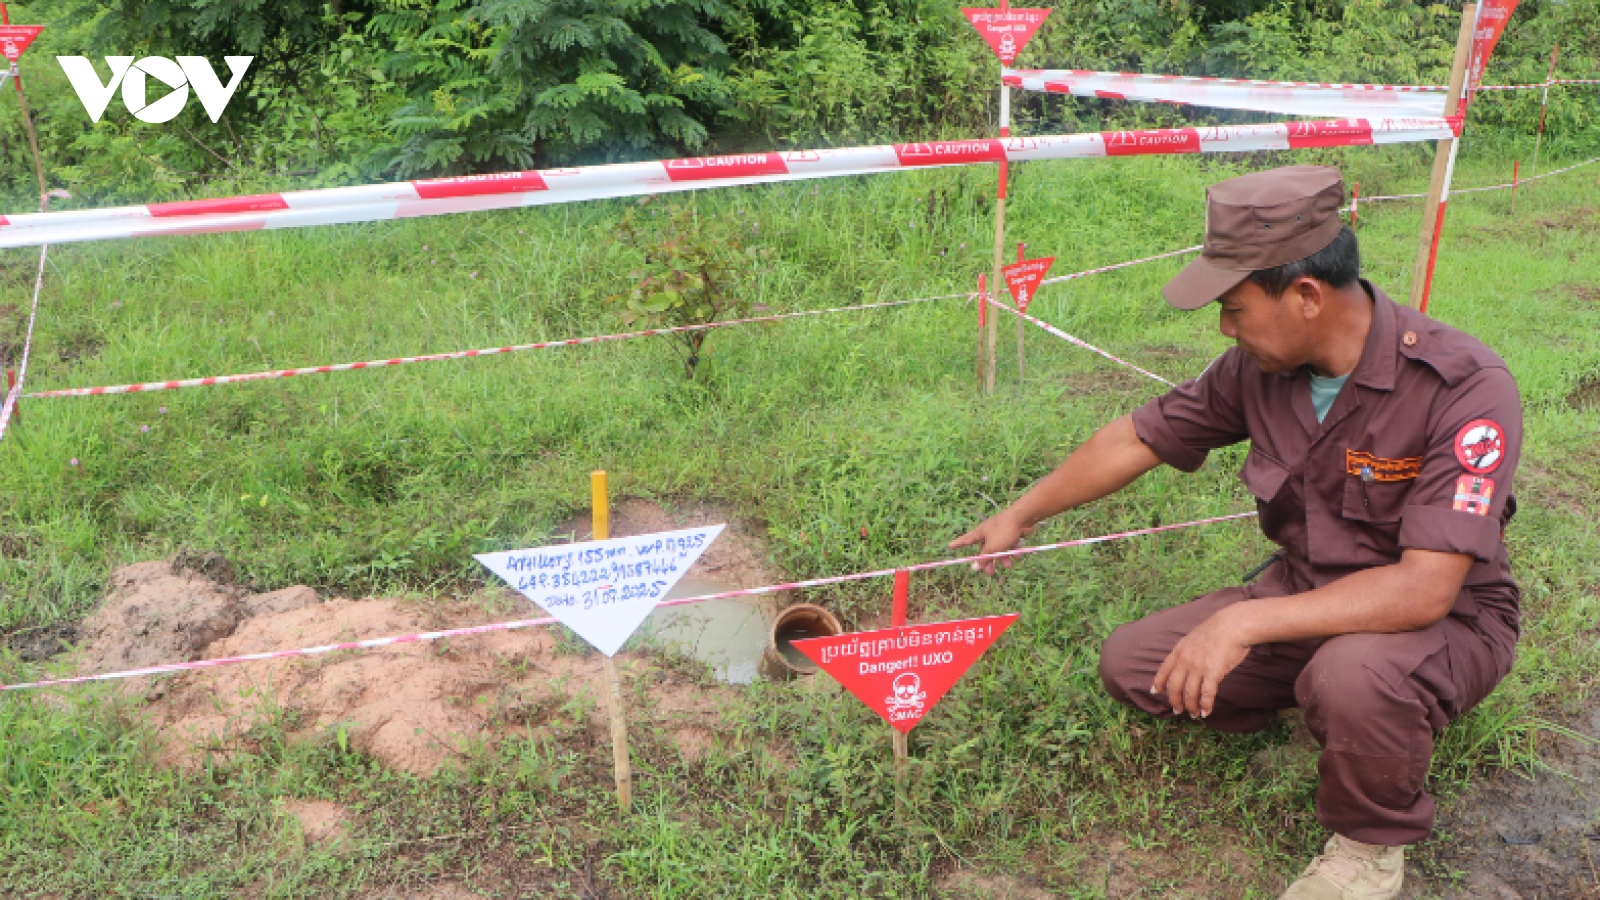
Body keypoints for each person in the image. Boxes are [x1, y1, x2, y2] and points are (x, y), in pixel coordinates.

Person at [952, 165, 1522, 900]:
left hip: (1448, 622)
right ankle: (1332, 722)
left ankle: (1368, 846)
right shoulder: (1257, 370)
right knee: (1134, 665)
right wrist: (1019, 514)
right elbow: (1138, 439)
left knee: (1352, 675)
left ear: (1307, 296)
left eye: (1234, 307)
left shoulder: (1465, 386)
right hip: (1306, 596)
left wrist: (1243, 622)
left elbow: (1423, 590)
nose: (1224, 327)